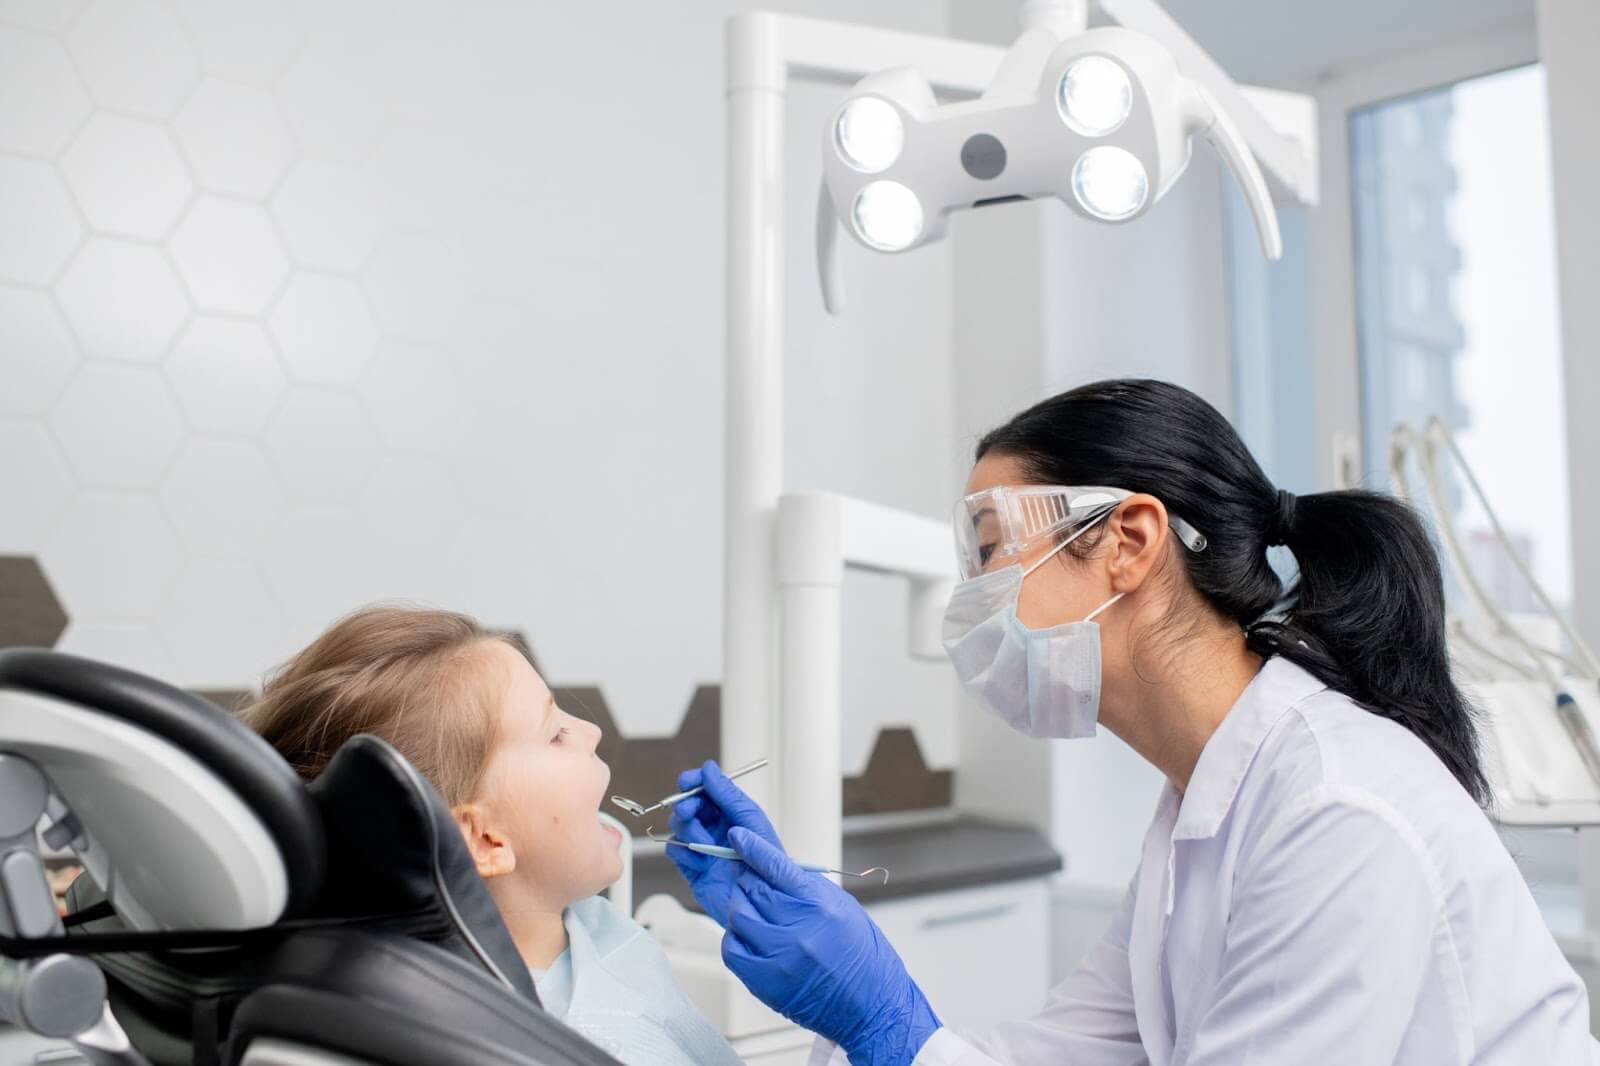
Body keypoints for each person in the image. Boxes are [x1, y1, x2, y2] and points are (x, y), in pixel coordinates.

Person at [669, 379, 1600, 1065]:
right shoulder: (1204, 811)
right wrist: (874, 1020)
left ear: (1129, 542)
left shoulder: (1336, 809)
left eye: (991, 551)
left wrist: (888, 1025)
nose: (970, 598)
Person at [242, 604, 741, 1066]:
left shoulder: (581, 931)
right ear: (485, 841)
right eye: (555, 734)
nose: (591, 733)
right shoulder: (591, 1044)